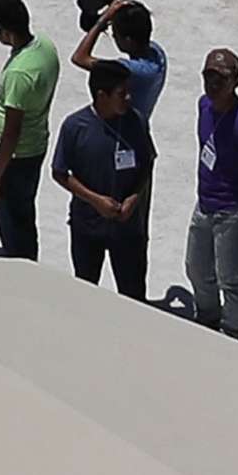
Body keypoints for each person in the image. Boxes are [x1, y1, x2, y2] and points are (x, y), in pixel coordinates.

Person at [52, 58, 156, 297]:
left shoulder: (135, 121)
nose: (129, 98)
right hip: (87, 228)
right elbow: (60, 172)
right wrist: (95, 199)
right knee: (86, 294)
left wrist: (134, 197)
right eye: (122, 93)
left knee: (133, 296)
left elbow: (147, 162)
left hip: (128, 230)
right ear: (102, 95)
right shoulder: (75, 126)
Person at [186, 49, 238, 338]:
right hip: (205, 203)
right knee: (196, 267)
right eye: (208, 75)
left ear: (236, 81)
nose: (213, 83)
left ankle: (232, 331)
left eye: (221, 78)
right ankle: (207, 318)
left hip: (234, 210)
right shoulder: (204, 106)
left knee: (230, 277)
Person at [0, 0, 60, 262]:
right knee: (25, 218)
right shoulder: (45, 46)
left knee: (14, 229)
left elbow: (11, 132)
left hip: (16, 159)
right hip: (35, 147)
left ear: (4, 31)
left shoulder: (19, 74)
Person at [74, 0, 168, 124]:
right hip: (139, 127)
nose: (113, 35)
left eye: (116, 33)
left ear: (128, 41)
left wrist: (102, 21)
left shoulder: (133, 70)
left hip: (123, 133)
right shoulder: (157, 52)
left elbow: (79, 58)